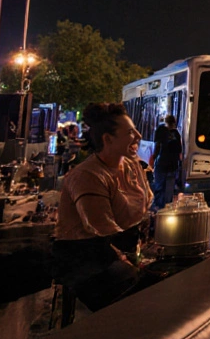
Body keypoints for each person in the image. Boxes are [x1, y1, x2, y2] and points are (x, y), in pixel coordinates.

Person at [51, 102, 153, 311]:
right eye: (130, 132)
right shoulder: (88, 175)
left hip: (119, 250)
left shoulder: (130, 165)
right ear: (108, 139)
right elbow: (101, 229)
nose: (139, 136)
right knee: (140, 297)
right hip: (87, 259)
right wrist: (132, 258)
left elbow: (142, 210)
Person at [152, 115, 182, 209]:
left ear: (166, 122)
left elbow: (157, 146)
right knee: (169, 189)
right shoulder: (177, 134)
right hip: (172, 165)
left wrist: (153, 158)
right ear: (174, 123)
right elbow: (179, 150)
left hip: (161, 164)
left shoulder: (161, 130)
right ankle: (166, 207)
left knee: (159, 187)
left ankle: (158, 207)